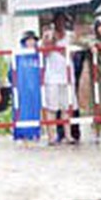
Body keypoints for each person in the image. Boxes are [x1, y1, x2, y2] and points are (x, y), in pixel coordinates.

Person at [41, 11, 78, 144]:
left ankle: (68, 135)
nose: (60, 23)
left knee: (66, 107)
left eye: (63, 21)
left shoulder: (70, 36)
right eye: (58, 21)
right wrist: (48, 41)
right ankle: (52, 135)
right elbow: (43, 53)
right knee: (52, 107)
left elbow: (72, 54)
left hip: (67, 74)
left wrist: (58, 47)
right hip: (52, 76)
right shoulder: (48, 35)